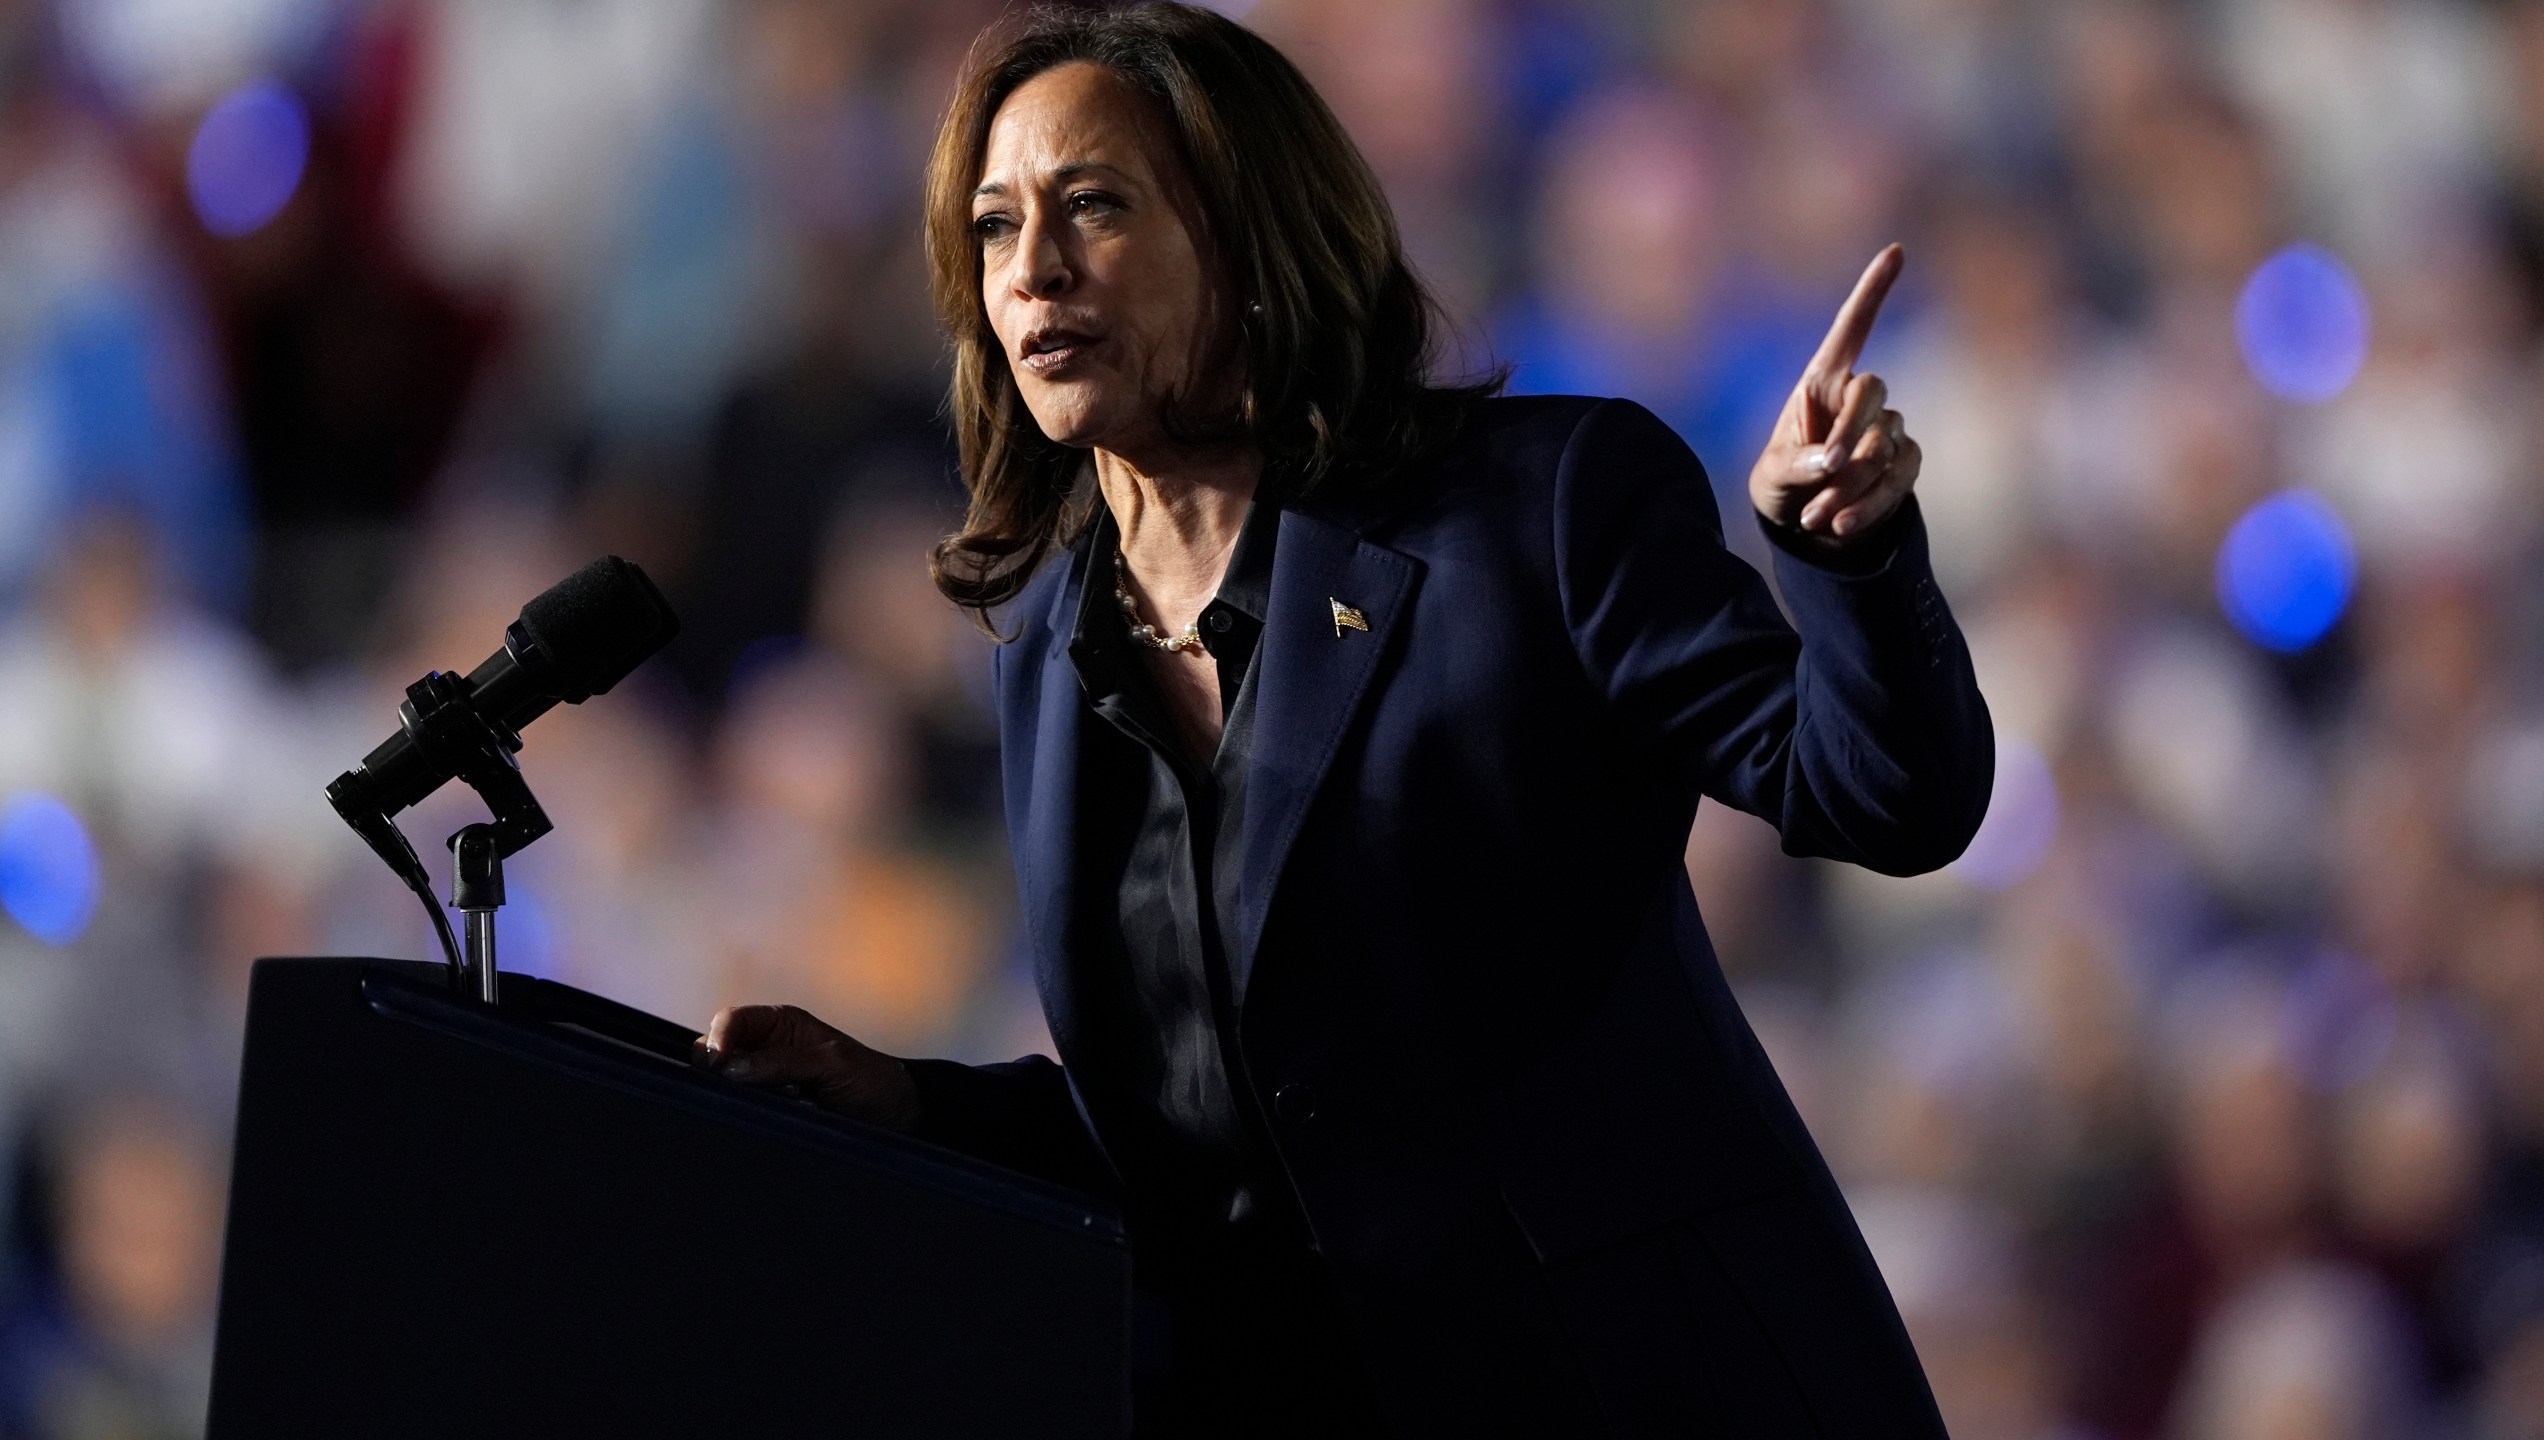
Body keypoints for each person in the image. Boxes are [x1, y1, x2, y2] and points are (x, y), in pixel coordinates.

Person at [694, 4, 1992, 1433]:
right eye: (996, 231)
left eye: (1095, 207)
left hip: (1648, 1385)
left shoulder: (1539, 513)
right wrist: (910, 1103)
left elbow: (1887, 798)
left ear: (1252, 244)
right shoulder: (1053, 658)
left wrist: (1849, 555)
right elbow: (1203, 1131)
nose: (1035, 272)